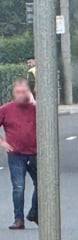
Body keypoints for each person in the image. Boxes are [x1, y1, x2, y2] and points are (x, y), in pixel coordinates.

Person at [0, 79, 37, 230]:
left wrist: (34, 101)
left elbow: (50, 117)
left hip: (36, 153)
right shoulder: (6, 109)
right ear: (13, 94)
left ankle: (34, 212)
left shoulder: (36, 107)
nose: (21, 95)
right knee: (18, 187)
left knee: (43, 184)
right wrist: (2, 143)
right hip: (16, 154)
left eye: (24, 91)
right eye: (18, 92)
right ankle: (18, 220)